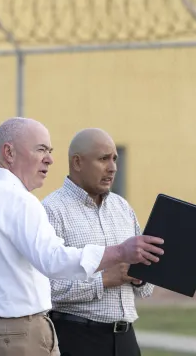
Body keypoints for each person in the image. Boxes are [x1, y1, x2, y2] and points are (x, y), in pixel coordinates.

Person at [0, 117, 164, 356]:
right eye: (41, 150)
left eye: (50, 152)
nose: (50, 160)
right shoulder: (22, 201)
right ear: (9, 153)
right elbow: (53, 261)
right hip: (20, 337)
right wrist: (119, 252)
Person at [42, 128, 153, 356]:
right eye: (103, 159)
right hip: (77, 339)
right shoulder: (50, 211)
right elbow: (45, 289)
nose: (112, 167)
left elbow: (147, 289)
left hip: (126, 340)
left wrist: (141, 276)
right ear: (78, 162)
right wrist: (102, 280)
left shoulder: (123, 208)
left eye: (114, 159)